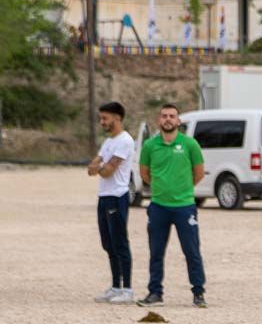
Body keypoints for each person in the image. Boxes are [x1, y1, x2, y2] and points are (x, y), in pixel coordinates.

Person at [137, 103, 207, 308]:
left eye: (172, 116)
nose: (168, 119)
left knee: (191, 250)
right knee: (156, 251)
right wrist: (162, 188)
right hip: (158, 206)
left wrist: (183, 189)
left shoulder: (190, 144)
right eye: (164, 116)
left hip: (184, 206)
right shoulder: (150, 146)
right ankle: (155, 293)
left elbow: (199, 172)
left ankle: (198, 293)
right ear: (159, 120)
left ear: (178, 121)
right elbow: (144, 173)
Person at [88, 101, 135, 304]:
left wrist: (100, 167)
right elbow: (93, 166)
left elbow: (107, 170)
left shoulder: (124, 141)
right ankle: (116, 286)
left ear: (117, 118)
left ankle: (128, 289)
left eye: (105, 118)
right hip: (104, 196)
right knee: (108, 244)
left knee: (120, 243)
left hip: (117, 196)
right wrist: (100, 166)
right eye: (101, 118)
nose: (102, 122)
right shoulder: (108, 142)